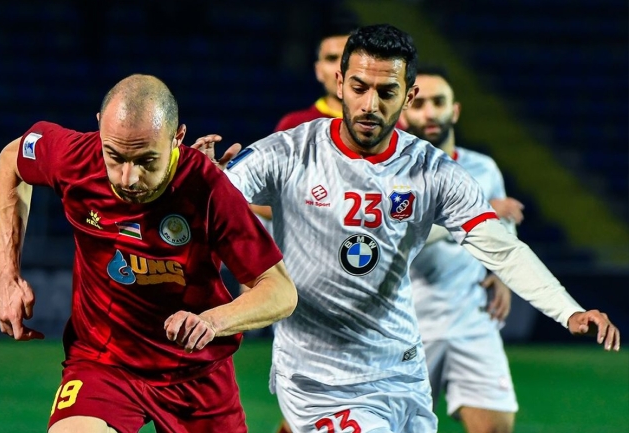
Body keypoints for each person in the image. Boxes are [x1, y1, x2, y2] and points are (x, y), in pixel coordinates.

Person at [196, 24, 620, 433]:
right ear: (340, 84)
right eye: (359, 87)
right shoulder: (289, 151)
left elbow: (501, 248)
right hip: (320, 378)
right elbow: (209, 200)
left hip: (401, 371)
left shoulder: (433, 171)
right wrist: (199, 181)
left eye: (386, 92)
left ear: (408, 95)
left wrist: (568, 310)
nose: (369, 105)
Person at [0, 74, 297, 433]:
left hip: (196, 375)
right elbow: (12, 158)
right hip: (104, 365)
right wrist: (7, 275)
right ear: (99, 127)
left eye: (146, 161)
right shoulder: (74, 158)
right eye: (115, 156)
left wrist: (213, 321)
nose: (128, 178)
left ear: (177, 138)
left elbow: (280, 290)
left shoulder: (208, 188)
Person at [400, 65, 524, 433]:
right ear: (403, 113)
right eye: (419, 103)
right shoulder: (392, 173)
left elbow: (504, 224)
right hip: (407, 324)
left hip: (471, 317)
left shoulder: (483, 169)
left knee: (496, 426)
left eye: (439, 102)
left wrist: (501, 273)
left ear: (454, 111)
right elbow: (402, 238)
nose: (430, 112)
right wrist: (478, 212)